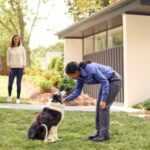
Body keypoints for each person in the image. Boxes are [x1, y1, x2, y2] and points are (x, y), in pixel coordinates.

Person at [64, 61, 121, 142]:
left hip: (113, 80)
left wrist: (104, 100)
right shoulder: (79, 77)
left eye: (71, 75)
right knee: (98, 107)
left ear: (76, 72)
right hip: (106, 82)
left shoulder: (90, 69)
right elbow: (77, 91)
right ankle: (99, 133)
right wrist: (66, 99)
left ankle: (104, 135)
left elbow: (104, 82)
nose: (71, 78)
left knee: (103, 107)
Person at [7, 34, 26, 104]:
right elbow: (8, 59)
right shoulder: (9, 48)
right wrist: (9, 67)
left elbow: (24, 58)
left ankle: (18, 98)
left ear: (19, 40)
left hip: (20, 68)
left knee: (18, 84)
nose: (16, 40)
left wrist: (24, 67)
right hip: (12, 68)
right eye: (15, 39)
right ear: (13, 40)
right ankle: (9, 96)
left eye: (17, 39)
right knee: (10, 84)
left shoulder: (22, 48)